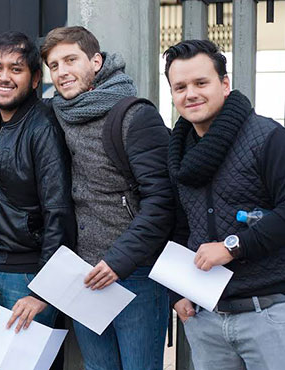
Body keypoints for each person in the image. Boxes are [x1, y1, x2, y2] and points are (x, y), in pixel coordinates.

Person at [41, 26, 173, 370]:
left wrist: (118, 261)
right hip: (83, 275)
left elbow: (161, 203)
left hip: (135, 275)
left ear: (96, 61)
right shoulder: (59, 112)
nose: (62, 72)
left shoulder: (134, 115)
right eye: (54, 66)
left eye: (71, 60)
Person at [165, 39, 285, 370]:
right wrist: (176, 293)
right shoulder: (178, 155)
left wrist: (233, 247)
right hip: (206, 320)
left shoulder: (269, 138)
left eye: (201, 82)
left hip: (269, 314)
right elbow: (178, 228)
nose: (190, 93)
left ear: (225, 84)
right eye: (180, 87)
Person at [0, 31, 76, 347]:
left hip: (28, 274)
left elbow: (58, 210)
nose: (4, 77)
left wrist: (43, 290)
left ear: (34, 80)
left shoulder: (43, 126)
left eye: (16, 69)